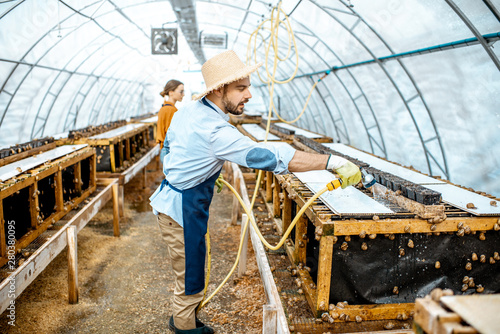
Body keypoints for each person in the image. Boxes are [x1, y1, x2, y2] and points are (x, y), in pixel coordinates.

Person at [149, 50, 361, 334]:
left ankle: (187, 319)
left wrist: (199, 173)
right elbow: (267, 156)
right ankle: (184, 327)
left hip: (176, 197)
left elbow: (169, 148)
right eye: (240, 88)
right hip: (181, 208)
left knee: (195, 262)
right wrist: (332, 162)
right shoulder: (215, 131)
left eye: (247, 86)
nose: (248, 94)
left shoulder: (188, 110)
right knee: (190, 272)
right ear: (219, 89)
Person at [157, 79, 185, 161]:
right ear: (171, 92)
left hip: (166, 150)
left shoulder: (166, 108)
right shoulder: (170, 110)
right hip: (170, 151)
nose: (183, 94)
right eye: (181, 91)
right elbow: (172, 134)